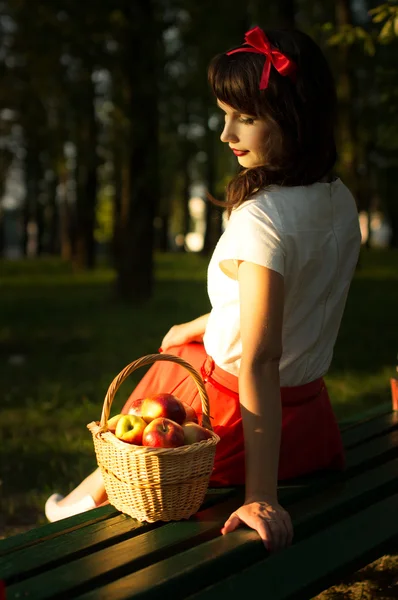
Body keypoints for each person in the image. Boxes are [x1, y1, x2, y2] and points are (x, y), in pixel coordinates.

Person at [45, 26, 361, 553]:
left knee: (171, 370)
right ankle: (88, 491)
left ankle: (89, 498)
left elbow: (261, 359)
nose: (225, 133)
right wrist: (195, 324)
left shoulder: (264, 217)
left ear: (294, 119)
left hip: (247, 430)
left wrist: (262, 496)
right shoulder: (337, 199)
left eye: (246, 118)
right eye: (225, 114)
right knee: (179, 345)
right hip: (309, 425)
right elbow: (281, 308)